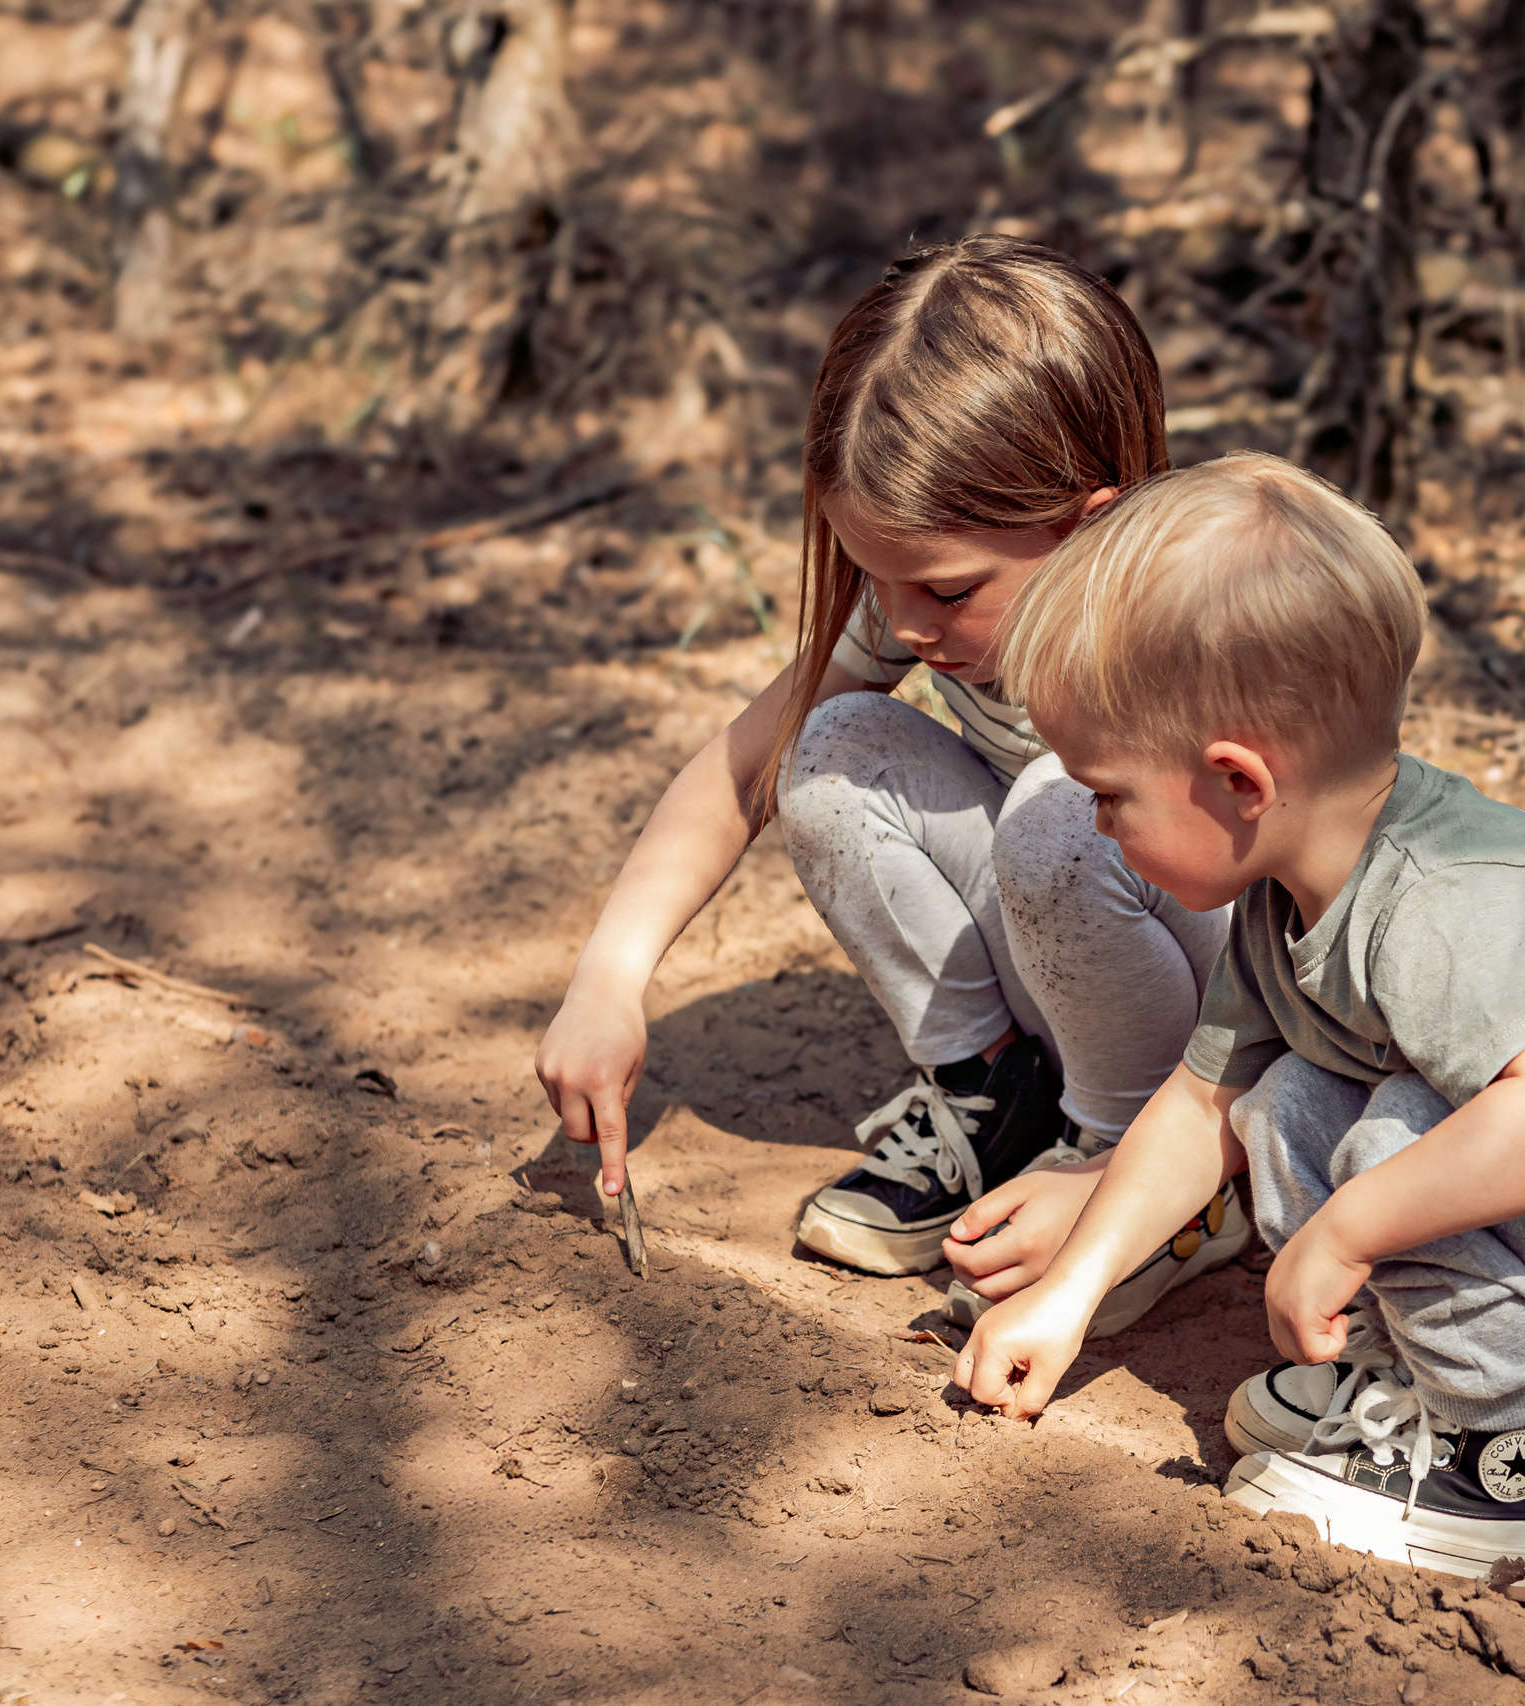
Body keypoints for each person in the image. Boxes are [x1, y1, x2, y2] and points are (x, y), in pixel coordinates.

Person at [950, 451, 1525, 1604]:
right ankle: (1419, 1377)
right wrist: (1069, 1294)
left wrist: (1343, 1233)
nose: (1094, 822)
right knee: (1285, 1099)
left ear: (1238, 780)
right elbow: (1200, 1102)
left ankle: (1498, 1468)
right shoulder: (1288, 892)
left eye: (1108, 791)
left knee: (1392, 1145)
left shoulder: (1448, 892)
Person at [534, 237, 1248, 1331]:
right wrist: (610, 975)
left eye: (946, 589)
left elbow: (1297, 917)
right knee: (827, 746)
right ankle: (997, 1094)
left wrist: (1202, 1130)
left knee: (1063, 810)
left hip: (1216, 1032)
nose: (906, 624)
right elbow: (742, 770)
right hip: (1072, 942)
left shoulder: (1201, 623)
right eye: (877, 578)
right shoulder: (927, 606)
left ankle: (1142, 1182)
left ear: (1089, 521)